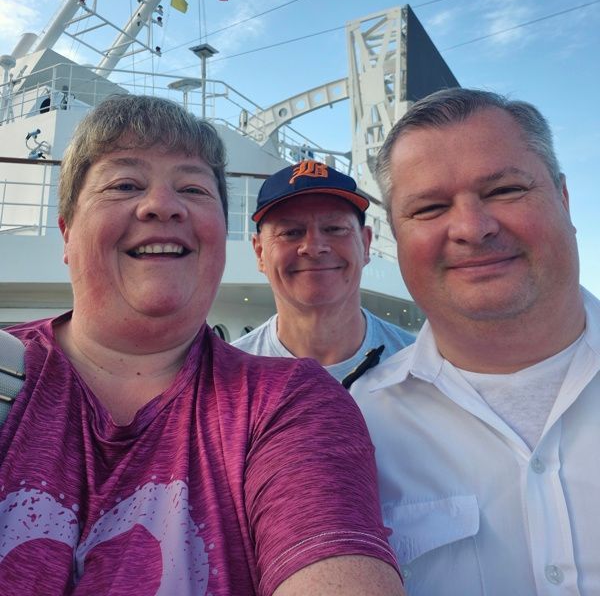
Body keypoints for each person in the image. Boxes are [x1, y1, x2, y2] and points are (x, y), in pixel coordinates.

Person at [0, 95, 403, 596]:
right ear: (65, 232)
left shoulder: (290, 401)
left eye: (192, 187)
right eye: (125, 184)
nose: (162, 205)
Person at [351, 87, 599, 596]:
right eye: (430, 208)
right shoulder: (356, 425)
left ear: (564, 198)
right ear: (397, 237)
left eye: (504, 190)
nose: (471, 228)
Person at [233, 161, 415, 386]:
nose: (314, 247)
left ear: (365, 244)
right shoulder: (227, 380)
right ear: (260, 252)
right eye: (290, 232)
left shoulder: (419, 370)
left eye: (335, 229)